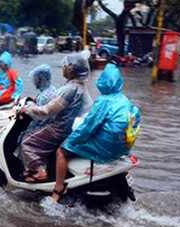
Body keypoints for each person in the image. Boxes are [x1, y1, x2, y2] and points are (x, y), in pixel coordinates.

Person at [52, 63, 141, 203]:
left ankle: (57, 190)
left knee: (61, 152)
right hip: (121, 149)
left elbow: (88, 127)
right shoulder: (124, 99)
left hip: (105, 149)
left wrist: (71, 141)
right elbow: (135, 119)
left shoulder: (103, 101)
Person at [20, 51, 92, 183]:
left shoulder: (70, 88)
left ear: (71, 69)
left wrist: (29, 109)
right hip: (70, 128)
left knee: (27, 142)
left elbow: (48, 110)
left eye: (65, 66)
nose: (63, 69)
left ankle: (39, 171)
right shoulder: (80, 86)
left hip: (59, 128)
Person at [23, 64, 57, 135]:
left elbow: (39, 118)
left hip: (43, 129)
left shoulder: (44, 97)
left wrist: (28, 110)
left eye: (35, 79)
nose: (34, 82)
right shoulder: (52, 89)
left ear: (41, 79)